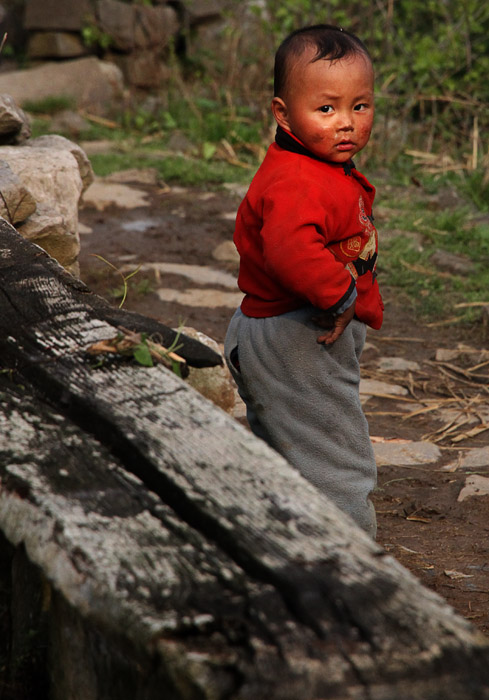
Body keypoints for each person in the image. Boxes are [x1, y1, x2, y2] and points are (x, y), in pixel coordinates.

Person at [224, 24, 383, 537]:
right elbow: (291, 249)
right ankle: (351, 560)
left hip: (288, 332)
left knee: (291, 453)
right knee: (334, 459)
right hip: (297, 336)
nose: (347, 124)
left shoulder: (315, 168)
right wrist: (339, 296)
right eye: (327, 109)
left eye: (360, 106)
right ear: (282, 112)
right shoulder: (296, 179)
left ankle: (280, 543)